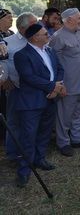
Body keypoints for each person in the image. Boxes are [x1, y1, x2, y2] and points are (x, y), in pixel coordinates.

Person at [14, 24, 66, 187]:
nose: (48, 35)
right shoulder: (22, 55)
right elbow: (29, 77)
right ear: (35, 37)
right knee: (28, 136)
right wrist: (53, 87)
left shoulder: (49, 50)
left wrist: (56, 86)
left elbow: (59, 68)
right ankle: (24, 170)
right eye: (45, 34)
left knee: (44, 132)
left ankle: (39, 159)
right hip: (31, 103)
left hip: (50, 99)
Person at [50, 8, 80, 156]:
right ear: (69, 20)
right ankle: (63, 142)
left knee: (78, 112)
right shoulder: (58, 37)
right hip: (68, 84)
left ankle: (77, 138)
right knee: (64, 114)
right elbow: (54, 63)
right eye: (79, 18)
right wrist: (60, 84)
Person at [2, 12, 38, 162]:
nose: (38, 27)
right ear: (24, 27)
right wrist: (5, 80)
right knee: (14, 121)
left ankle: (31, 151)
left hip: (36, 88)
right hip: (16, 88)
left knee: (32, 122)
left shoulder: (37, 39)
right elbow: (3, 64)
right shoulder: (7, 42)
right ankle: (12, 153)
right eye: (34, 24)